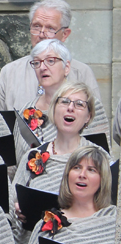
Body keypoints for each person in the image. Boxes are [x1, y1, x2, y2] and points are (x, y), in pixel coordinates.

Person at [10, 82, 110, 244]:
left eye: (79, 104)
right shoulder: (33, 156)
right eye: (64, 102)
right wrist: (18, 211)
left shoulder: (100, 158)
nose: (70, 108)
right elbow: (13, 201)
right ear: (53, 110)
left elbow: (108, 209)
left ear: (88, 117)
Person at [0, 0, 101, 112]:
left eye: (50, 28)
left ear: (65, 34)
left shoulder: (81, 73)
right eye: (37, 26)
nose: (41, 34)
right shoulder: (10, 72)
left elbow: (96, 122)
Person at [13, 39, 109, 167]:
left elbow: (103, 161)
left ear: (67, 67)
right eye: (37, 62)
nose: (42, 67)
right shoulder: (25, 111)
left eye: (50, 61)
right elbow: (15, 164)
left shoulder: (85, 106)